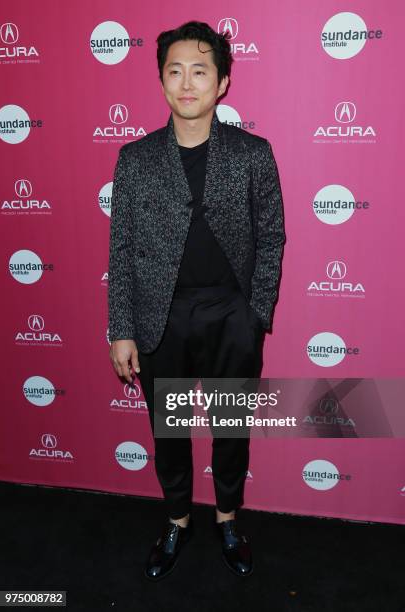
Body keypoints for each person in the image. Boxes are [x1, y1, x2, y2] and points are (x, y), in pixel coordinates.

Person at [108, 20, 286, 581]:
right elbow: (123, 248)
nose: (187, 83)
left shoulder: (253, 154)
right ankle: (178, 519)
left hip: (233, 316)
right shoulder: (135, 160)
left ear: (223, 83)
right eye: (175, 71)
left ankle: (228, 519)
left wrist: (256, 313)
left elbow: (272, 235)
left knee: (232, 429)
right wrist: (122, 328)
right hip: (163, 318)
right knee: (170, 433)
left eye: (200, 71)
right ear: (162, 82)